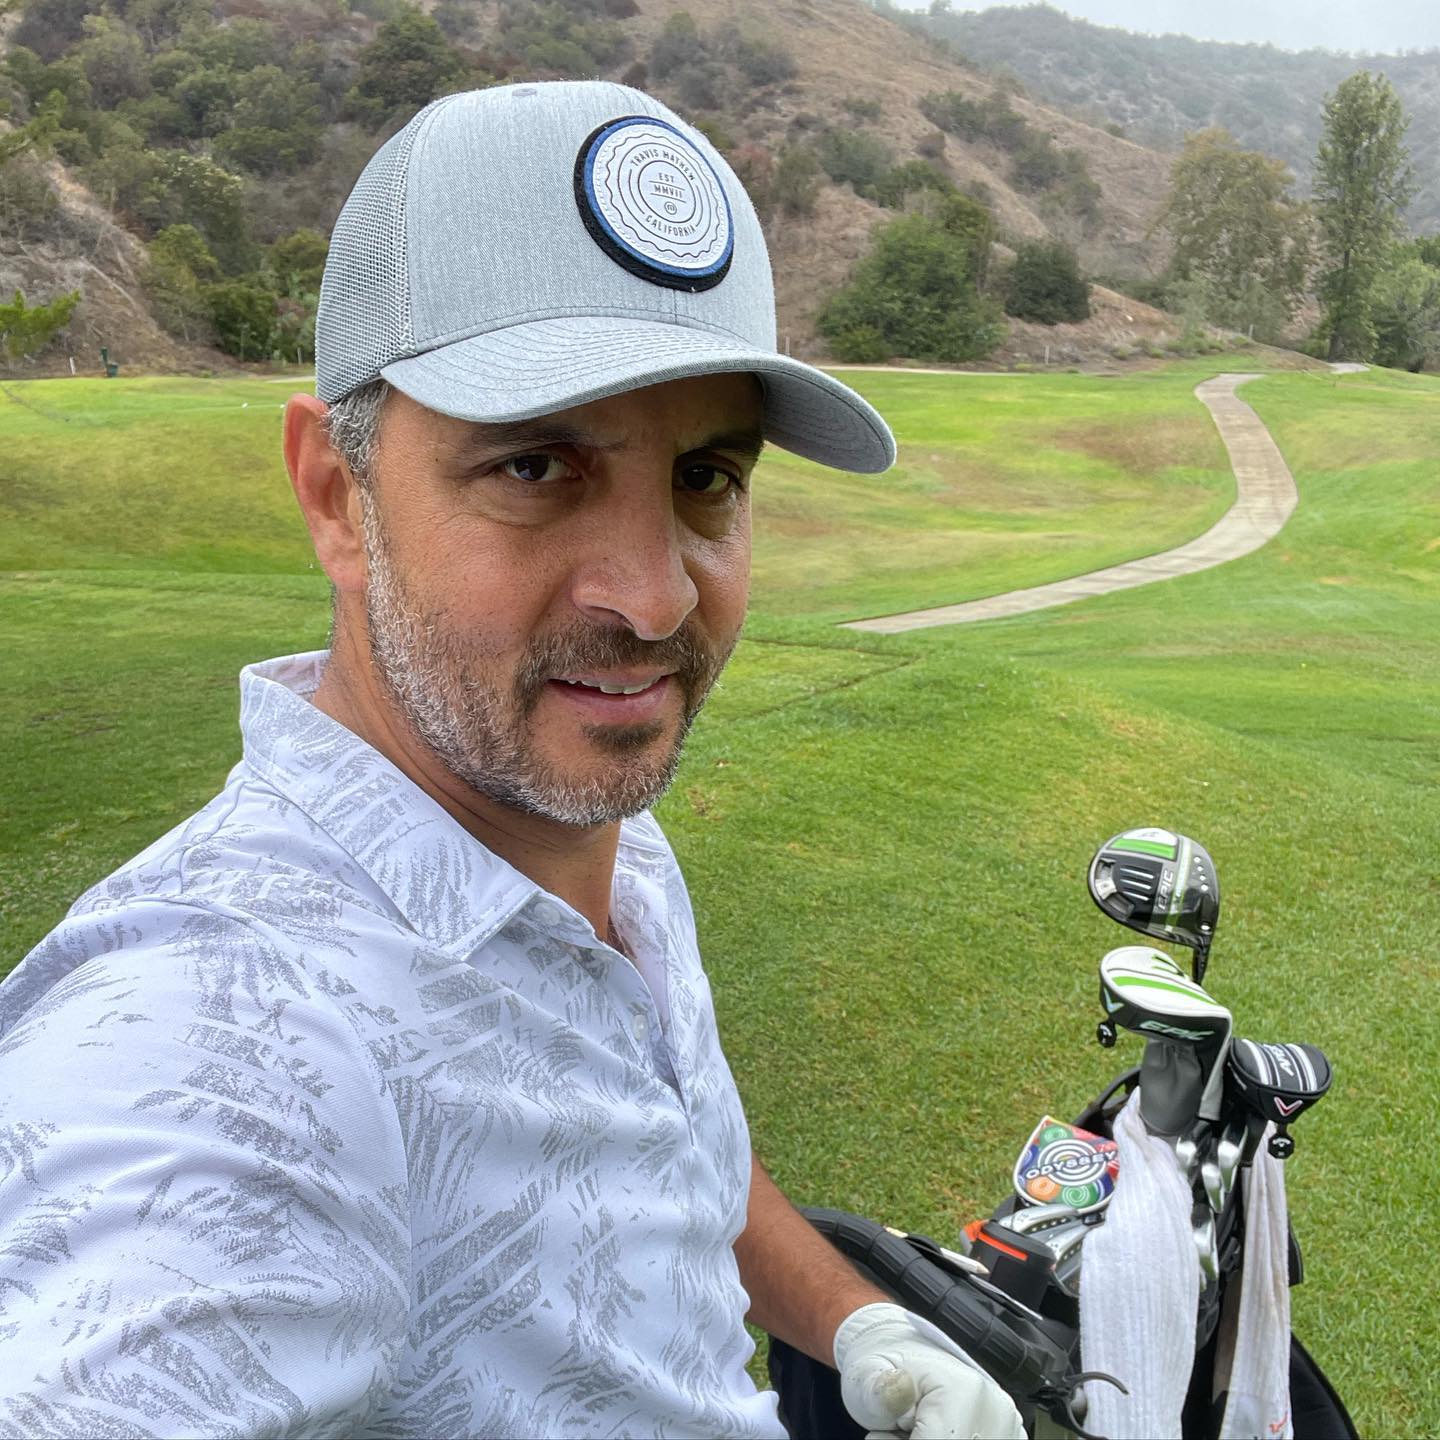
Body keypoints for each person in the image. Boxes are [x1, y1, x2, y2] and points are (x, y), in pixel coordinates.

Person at [0, 82, 1024, 1440]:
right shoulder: (229, 1032)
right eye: (537, 467)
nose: (656, 601)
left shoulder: (593, 840)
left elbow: (673, 1158)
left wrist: (859, 1324)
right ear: (335, 495)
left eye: (706, 475)